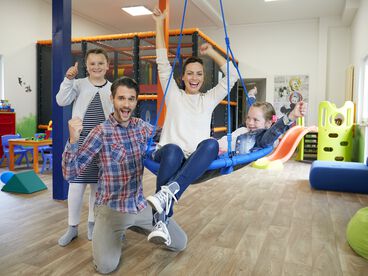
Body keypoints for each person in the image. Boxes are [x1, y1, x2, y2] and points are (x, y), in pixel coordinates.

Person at [62, 77, 187, 274]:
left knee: (180, 242)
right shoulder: (100, 132)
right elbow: (70, 173)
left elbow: (171, 136)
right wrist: (73, 140)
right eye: (121, 98)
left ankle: (133, 226)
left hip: (138, 206)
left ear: (136, 101)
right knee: (106, 267)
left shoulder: (142, 127)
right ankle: (115, 231)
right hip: (111, 210)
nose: (126, 104)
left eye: (131, 99)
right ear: (112, 99)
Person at [145, 8, 239, 245]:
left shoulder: (207, 99)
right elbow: (161, 61)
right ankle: (163, 214)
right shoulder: (173, 94)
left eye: (199, 73)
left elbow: (233, 76)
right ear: (183, 77)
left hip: (192, 157)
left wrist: (213, 53)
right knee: (175, 149)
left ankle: (167, 196)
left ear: (203, 78)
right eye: (190, 73)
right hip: (168, 151)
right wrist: (159, 23)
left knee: (210, 144)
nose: (194, 77)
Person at [56, 48, 113, 246]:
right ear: (86, 67)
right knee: (76, 186)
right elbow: (61, 100)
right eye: (92, 63)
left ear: (107, 66)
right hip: (79, 144)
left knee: (97, 188)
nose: (96, 66)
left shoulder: (112, 88)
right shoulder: (78, 84)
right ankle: (72, 227)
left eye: (100, 63)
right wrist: (68, 79)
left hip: (101, 147)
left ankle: (92, 223)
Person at [218, 101, 307, 155]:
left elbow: (275, 131)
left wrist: (292, 116)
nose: (250, 122)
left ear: (268, 123)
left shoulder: (262, 137)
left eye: (255, 120)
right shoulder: (243, 130)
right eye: (248, 118)